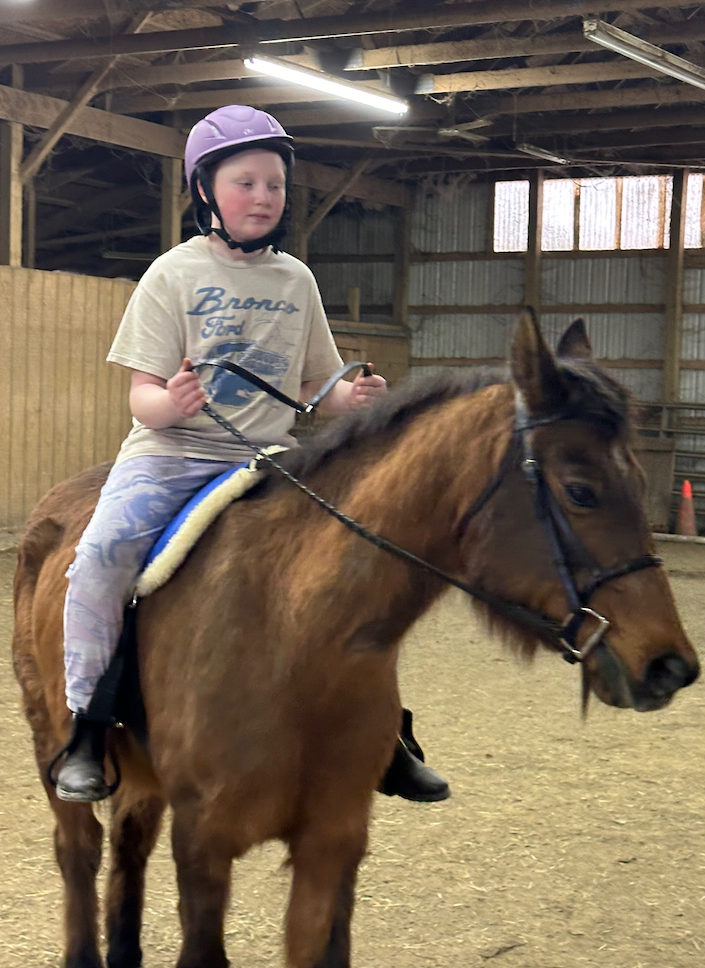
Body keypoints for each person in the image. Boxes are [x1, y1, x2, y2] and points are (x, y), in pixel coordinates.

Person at [55, 105, 449, 805]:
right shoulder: (171, 275)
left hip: (270, 458)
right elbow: (141, 397)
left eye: (275, 185)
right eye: (246, 183)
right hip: (172, 453)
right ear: (205, 190)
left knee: (359, 562)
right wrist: (171, 403)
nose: (264, 197)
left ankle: (382, 730)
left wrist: (352, 398)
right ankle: (87, 725)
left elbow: (317, 387)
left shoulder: (296, 281)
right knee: (103, 555)